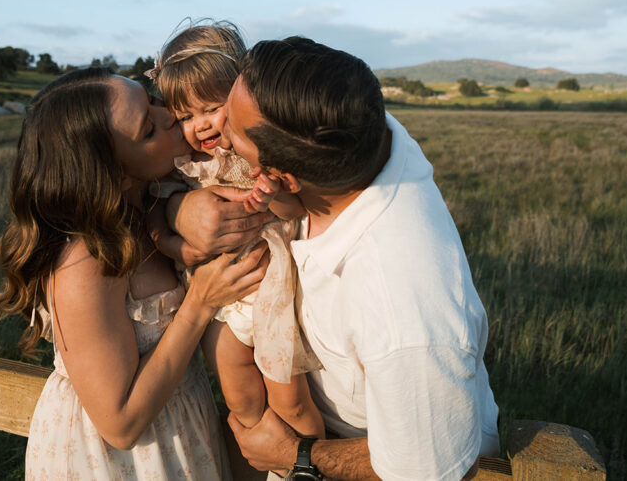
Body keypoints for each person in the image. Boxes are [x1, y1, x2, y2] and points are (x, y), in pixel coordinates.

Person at [171, 37, 500, 480]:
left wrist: (298, 457)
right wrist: (179, 209)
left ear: (282, 180)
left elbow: (427, 468)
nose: (220, 134)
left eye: (235, 137)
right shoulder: (345, 122)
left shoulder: (402, 308)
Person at [0, 67, 268, 480]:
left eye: (151, 99)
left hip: (181, 432)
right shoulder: (86, 261)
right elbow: (119, 424)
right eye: (148, 130)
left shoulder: (149, 206)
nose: (168, 115)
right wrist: (200, 303)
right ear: (115, 172)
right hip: (119, 462)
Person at [145, 20, 325, 442]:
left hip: (269, 292)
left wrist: (269, 195)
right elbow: (154, 206)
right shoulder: (189, 163)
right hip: (221, 299)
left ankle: (311, 465)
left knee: (291, 401)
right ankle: (261, 461)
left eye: (211, 108)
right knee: (240, 396)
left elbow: (294, 209)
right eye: (185, 115)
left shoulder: (261, 153)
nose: (200, 125)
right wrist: (176, 246)